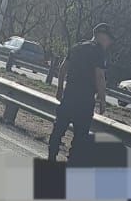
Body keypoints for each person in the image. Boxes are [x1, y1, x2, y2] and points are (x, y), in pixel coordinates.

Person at [47, 24, 112, 163]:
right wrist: (102, 99)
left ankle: (51, 157)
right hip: (85, 100)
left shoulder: (77, 46)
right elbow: (100, 77)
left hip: (69, 95)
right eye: (108, 39)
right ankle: (71, 164)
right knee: (80, 136)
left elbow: (63, 67)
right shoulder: (99, 52)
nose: (109, 43)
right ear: (102, 36)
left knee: (59, 129)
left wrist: (59, 88)